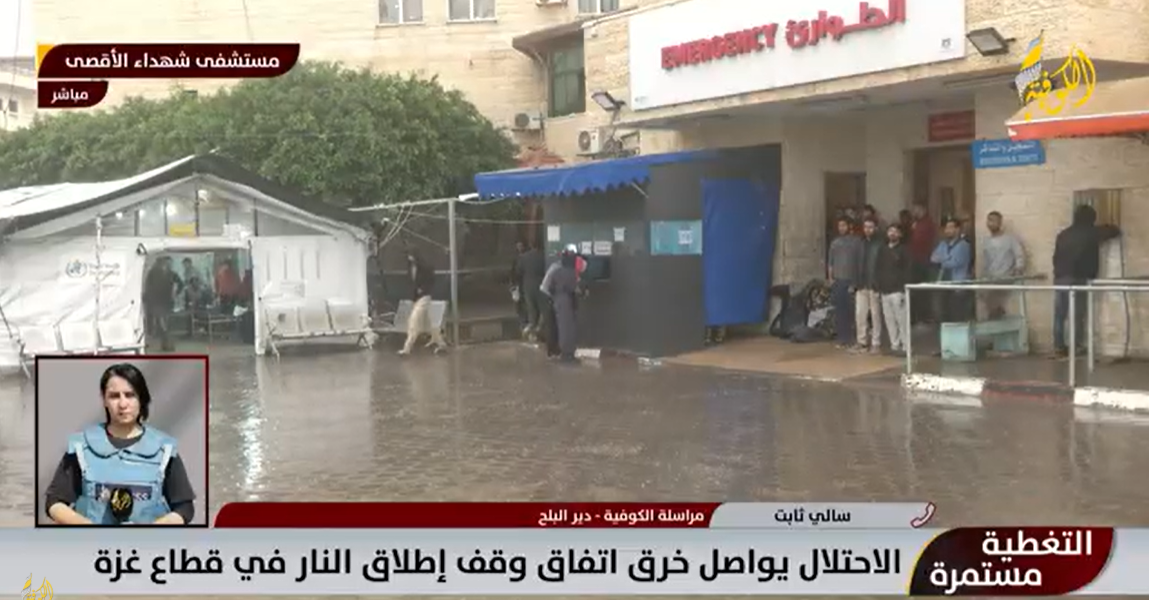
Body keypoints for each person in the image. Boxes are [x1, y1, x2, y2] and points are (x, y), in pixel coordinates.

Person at [44, 363, 196, 525]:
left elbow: (185, 508)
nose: (123, 404)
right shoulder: (81, 447)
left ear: (141, 399)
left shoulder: (164, 450)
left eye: (130, 395)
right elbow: (54, 503)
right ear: (104, 400)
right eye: (114, 396)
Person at [1052, 204, 1121, 357]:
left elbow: (1055, 257)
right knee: (1078, 314)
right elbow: (1114, 231)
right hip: (1079, 277)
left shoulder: (1063, 234)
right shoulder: (1091, 232)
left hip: (1061, 277)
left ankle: (1058, 347)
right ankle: (1076, 346)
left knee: (1060, 315)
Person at [399, 249, 447, 356]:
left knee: (413, 321)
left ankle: (407, 348)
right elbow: (411, 283)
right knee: (428, 324)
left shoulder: (425, 268)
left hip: (424, 297)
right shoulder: (411, 268)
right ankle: (441, 343)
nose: (409, 258)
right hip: (416, 298)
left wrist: (424, 289)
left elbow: (431, 280)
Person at [875, 223, 913, 356]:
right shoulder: (882, 250)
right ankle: (894, 345)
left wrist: (903, 289)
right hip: (885, 291)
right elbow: (878, 269)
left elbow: (908, 270)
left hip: (898, 291)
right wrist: (878, 287)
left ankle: (906, 346)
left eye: (895, 231)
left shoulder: (904, 250)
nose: (892, 233)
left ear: (900, 235)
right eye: (890, 231)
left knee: (901, 320)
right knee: (889, 320)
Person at [981, 211, 1027, 319]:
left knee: (1004, 305)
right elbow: (986, 261)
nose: (991, 223)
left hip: (1006, 278)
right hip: (991, 279)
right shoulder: (986, 241)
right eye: (989, 220)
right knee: (990, 306)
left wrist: (1018, 268)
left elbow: (1019, 255)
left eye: (994, 220)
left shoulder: (1010, 239)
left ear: (1000, 223)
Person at [827, 217, 861, 349]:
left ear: (849, 226)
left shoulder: (856, 242)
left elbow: (859, 263)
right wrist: (831, 278)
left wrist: (855, 282)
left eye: (844, 225)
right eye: (840, 225)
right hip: (838, 280)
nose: (841, 228)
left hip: (851, 280)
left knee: (852, 311)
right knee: (840, 311)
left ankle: (852, 338)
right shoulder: (835, 243)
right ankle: (842, 338)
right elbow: (830, 262)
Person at [931, 217, 973, 322]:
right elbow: (933, 258)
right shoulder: (943, 244)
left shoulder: (964, 245)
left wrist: (942, 259)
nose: (947, 230)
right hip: (943, 284)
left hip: (957, 286)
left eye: (950, 227)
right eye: (946, 228)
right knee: (942, 314)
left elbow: (954, 262)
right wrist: (947, 258)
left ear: (958, 229)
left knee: (956, 315)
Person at [853, 217, 885, 354]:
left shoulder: (881, 244)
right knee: (860, 314)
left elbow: (883, 266)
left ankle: (876, 343)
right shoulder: (860, 243)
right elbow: (855, 263)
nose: (868, 230)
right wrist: (855, 282)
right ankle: (861, 341)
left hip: (875, 284)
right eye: (866, 227)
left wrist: (881, 283)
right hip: (861, 284)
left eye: (870, 227)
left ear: (876, 228)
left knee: (875, 315)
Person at [543, 248, 580, 363]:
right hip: (566, 300)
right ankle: (567, 353)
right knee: (567, 328)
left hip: (556, 300)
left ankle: (560, 351)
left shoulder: (556, 270)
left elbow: (549, 287)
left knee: (560, 327)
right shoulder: (571, 272)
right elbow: (574, 289)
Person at [143, 257, 182, 351]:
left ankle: (166, 343)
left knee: (165, 323)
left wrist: (176, 293)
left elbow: (180, 283)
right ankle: (167, 343)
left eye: (169, 263)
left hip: (166, 301)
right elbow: (148, 286)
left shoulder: (172, 274)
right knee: (161, 322)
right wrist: (148, 298)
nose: (167, 265)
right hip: (157, 301)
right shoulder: (153, 272)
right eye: (166, 263)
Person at [908, 202, 938, 323]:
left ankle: (924, 316)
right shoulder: (916, 223)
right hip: (915, 260)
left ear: (923, 209)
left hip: (924, 260)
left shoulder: (927, 224)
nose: (914, 212)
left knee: (923, 291)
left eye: (916, 209)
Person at [514, 241, 547, 340]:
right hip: (541, 285)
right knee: (543, 309)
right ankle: (539, 330)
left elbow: (518, 271)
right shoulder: (544, 256)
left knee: (531, 309)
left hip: (528, 286)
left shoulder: (524, 257)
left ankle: (531, 332)